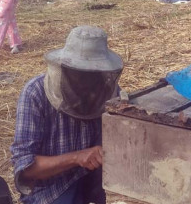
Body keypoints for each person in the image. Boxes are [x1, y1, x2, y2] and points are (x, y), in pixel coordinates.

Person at [10, 26, 124, 204]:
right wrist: (77, 157)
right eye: (80, 73)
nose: (87, 81)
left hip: (94, 180)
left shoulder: (108, 91)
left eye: (94, 74)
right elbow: (25, 168)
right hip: (51, 190)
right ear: (65, 68)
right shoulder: (35, 93)